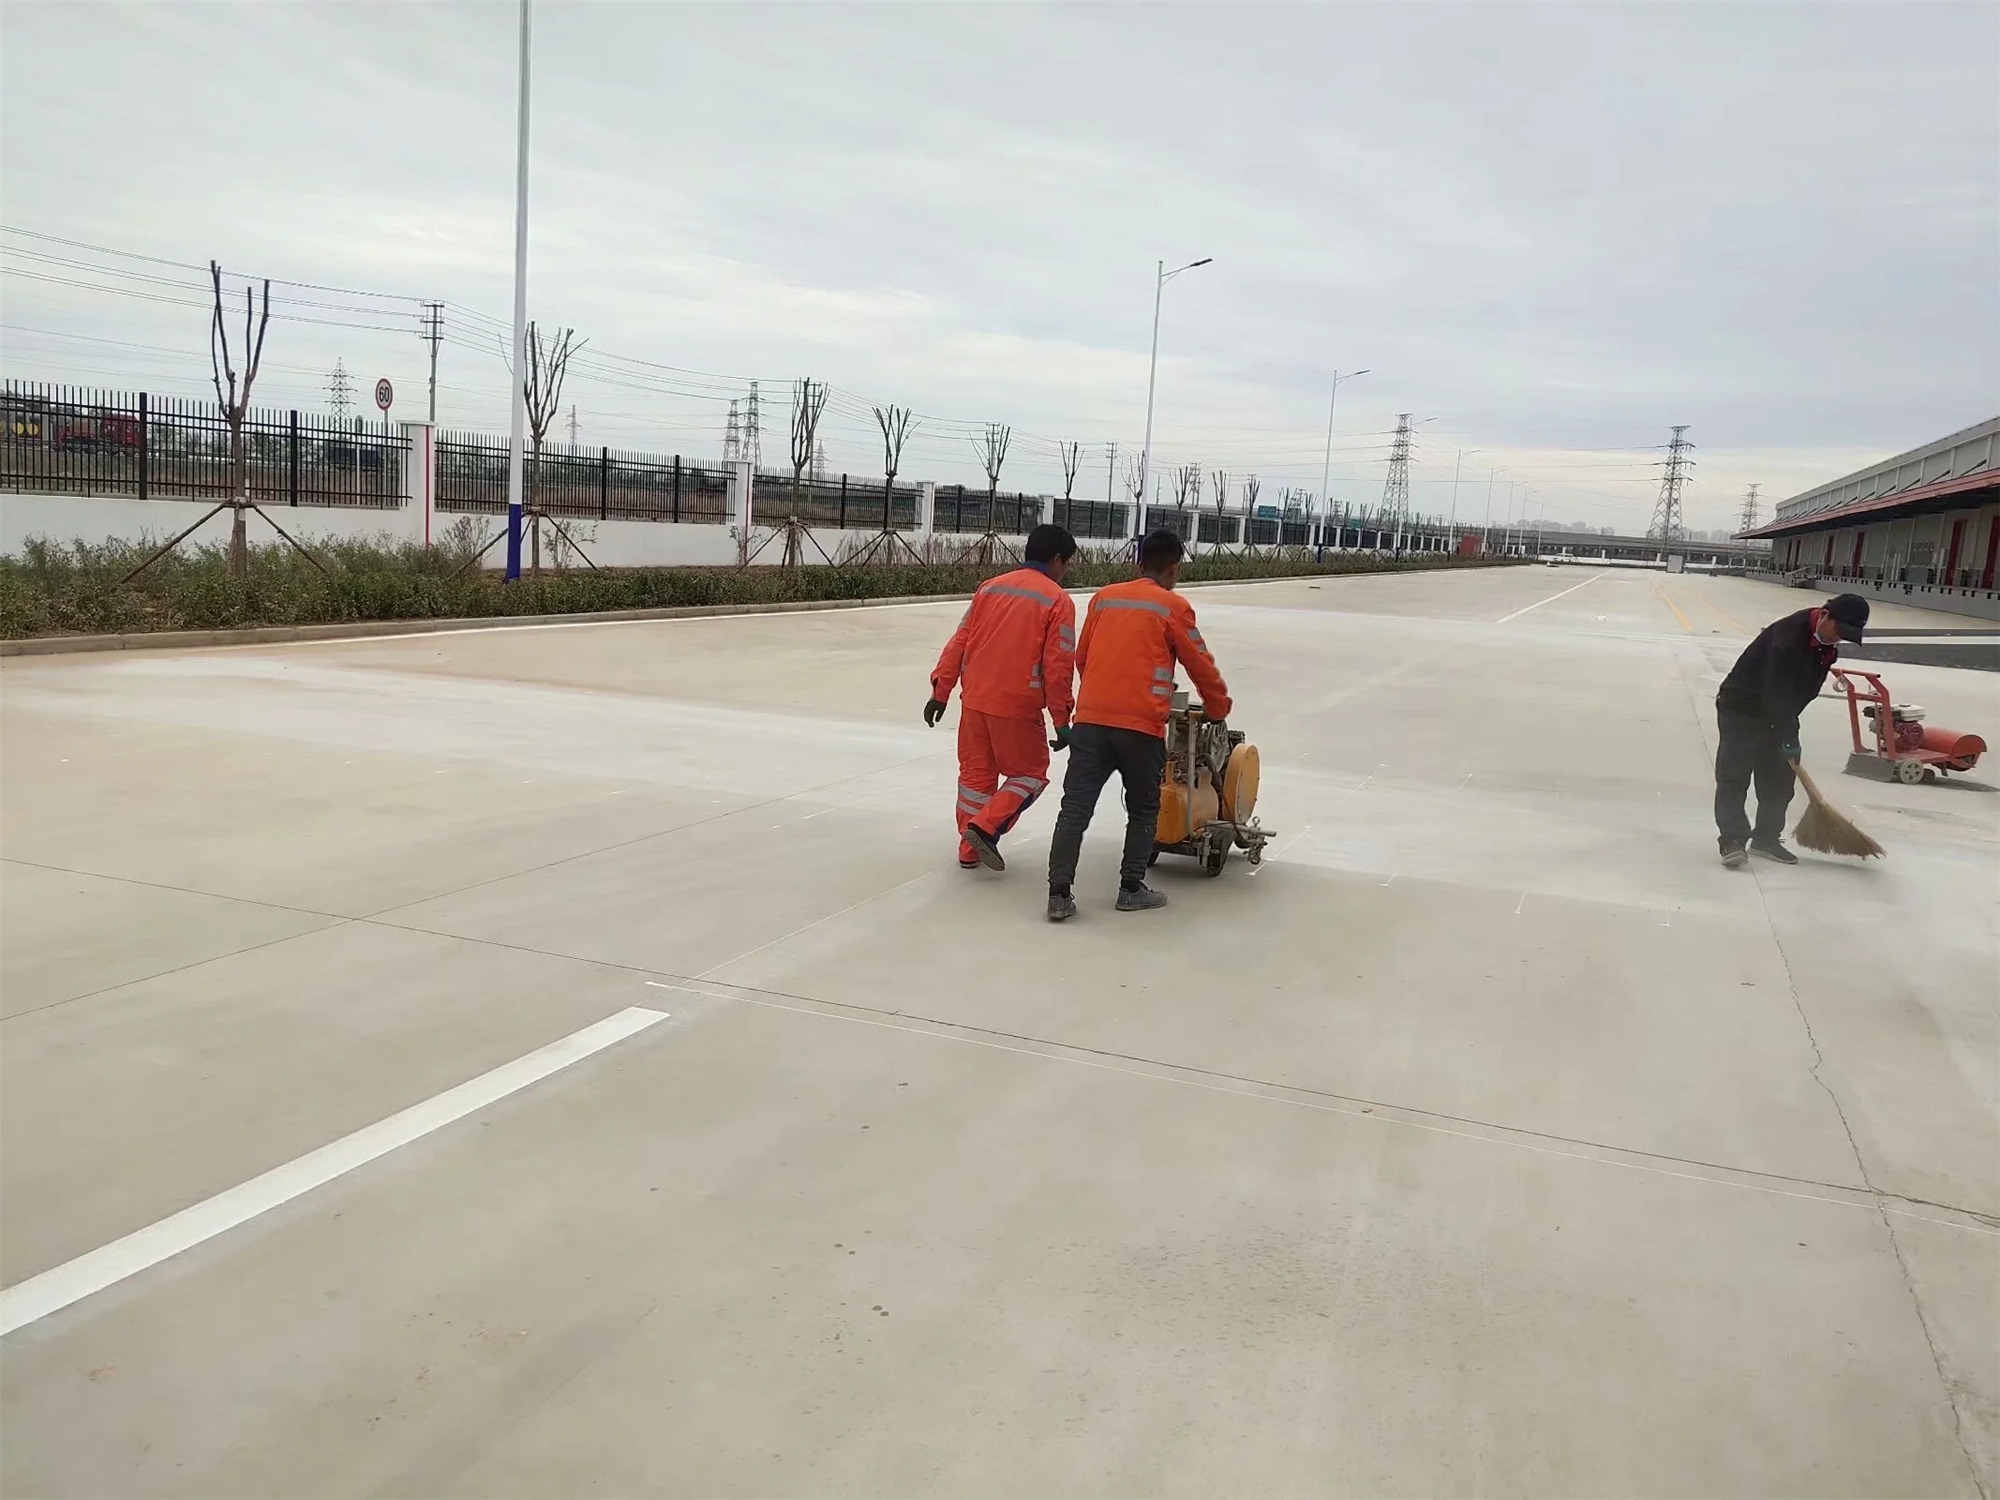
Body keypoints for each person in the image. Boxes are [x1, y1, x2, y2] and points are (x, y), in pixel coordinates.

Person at [1045, 529, 1232, 921]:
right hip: (1141, 728)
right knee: (1144, 809)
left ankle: (1059, 895)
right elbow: (1201, 664)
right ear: (1174, 568)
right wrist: (1218, 707)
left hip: (1092, 722)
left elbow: (1082, 658)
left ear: (1138, 561)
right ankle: (1131, 888)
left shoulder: (1103, 598)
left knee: (1074, 810)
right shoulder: (1173, 607)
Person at [924, 524, 1079, 871]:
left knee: (976, 778)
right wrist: (1061, 720)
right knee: (1031, 773)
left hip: (975, 700)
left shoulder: (989, 588)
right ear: (1056, 560)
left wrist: (941, 690)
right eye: (1066, 564)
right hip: (1017, 706)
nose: (1065, 572)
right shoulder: (1057, 600)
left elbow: (960, 640)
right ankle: (985, 828)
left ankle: (969, 848)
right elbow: (1058, 667)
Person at [1714, 592, 1869, 867]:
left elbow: (1798, 694)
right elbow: (1775, 692)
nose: (1839, 638)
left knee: (1780, 779)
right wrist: (1787, 731)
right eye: (1838, 629)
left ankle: (1766, 839)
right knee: (1734, 776)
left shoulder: (1825, 646)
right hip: (1741, 708)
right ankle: (1732, 840)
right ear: (1824, 615)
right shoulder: (1786, 640)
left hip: (1779, 710)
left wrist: (1789, 729)